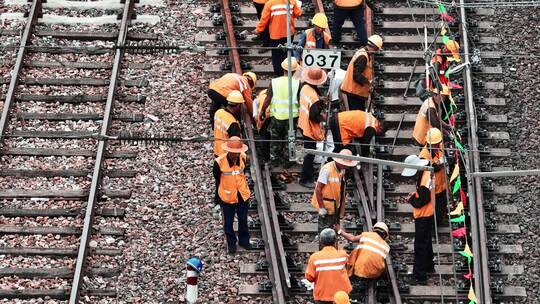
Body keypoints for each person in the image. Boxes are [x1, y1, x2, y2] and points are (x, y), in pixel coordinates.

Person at [259, 58, 301, 167]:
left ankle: (274, 160)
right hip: (292, 118)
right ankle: (288, 160)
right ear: (295, 71)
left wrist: (262, 110)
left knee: (275, 138)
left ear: (283, 68)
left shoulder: (274, 82)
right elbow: (300, 101)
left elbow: (268, 98)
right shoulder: (297, 84)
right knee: (290, 139)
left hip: (277, 116)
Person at [213, 137, 252, 254]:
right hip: (226, 197)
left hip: (242, 195)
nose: (236, 155)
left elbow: (244, 172)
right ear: (228, 151)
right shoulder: (219, 162)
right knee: (228, 222)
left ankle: (244, 241)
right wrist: (217, 198)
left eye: (237, 153)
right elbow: (217, 178)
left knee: (243, 219)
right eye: (234, 153)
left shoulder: (244, 157)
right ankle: (231, 244)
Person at [401, 154, 435, 284]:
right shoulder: (426, 173)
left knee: (420, 245)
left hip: (423, 215)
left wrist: (411, 199)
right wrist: (415, 194)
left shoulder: (425, 180)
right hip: (427, 213)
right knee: (426, 242)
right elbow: (422, 195)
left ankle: (419, 275)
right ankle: (429, 267)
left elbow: (421, 201)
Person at [311, 149, 358, 232]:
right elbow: (318, 189)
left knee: (333, 231)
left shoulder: (341, 170)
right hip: (326, 207)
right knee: (325, 233)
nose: (346, 166)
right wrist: (322, 207)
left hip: (335, 207)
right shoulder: (327, 170)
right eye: (345, 164)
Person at [298, 67, 328, 188]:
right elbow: (314, 115)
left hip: (302, 122)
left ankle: (309, 173)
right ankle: (304, 179)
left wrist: (320, 100)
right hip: (309, 126)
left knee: (309, 150)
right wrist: (323, 118)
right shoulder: (314, 97)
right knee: (310, 153)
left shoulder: (305, 87)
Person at [255, 0, 302, 76]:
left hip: (275, 34)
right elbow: (298, 14)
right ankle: (289, 71)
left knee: (276, 55)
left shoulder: (270, 3)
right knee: (287, 52)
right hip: (289, 33)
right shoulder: (291, 1)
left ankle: (278, 74)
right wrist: (298, 6)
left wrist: (258, 30)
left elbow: (264, 19)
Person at [305, 228, 352, 303]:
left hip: (322, 296)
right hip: (341, 296)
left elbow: (309, 278)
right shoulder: (343, 255)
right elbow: (351, 265)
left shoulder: (314, 257)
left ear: (321, 241)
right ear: (335, 241)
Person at [340, 35, 383, 111]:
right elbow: (356, 74)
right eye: (376, 49)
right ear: (374, 47)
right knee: (357, 115)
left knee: (356, 115)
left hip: (354, 91)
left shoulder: (363, 52)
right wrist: (368, 82)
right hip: (354, 92)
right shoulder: (363, 57)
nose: (375, 52)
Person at [419, 128, 448, 226]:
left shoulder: (440, 146)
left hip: (442, 185)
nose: (437, 145)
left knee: (442, 204)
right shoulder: (424, 155)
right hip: (432, 188)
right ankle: (432, 225)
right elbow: (429, 168)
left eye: (438, 143)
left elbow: (445, 156)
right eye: (435, 144)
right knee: (433, 207)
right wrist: (439, 163)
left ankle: (439, 221)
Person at [213, 91, 244, 157]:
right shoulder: (233, 123)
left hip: (217, 151)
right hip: (227, 155)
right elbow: (236, 145)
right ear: (238, 105)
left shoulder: (218, 112)